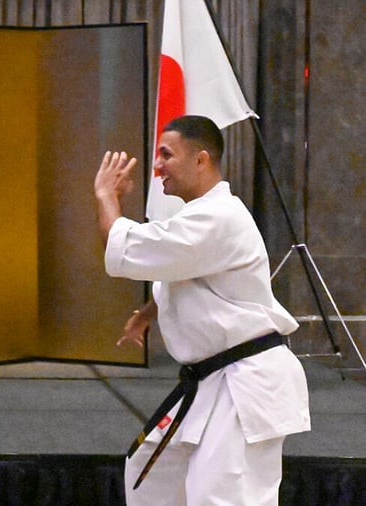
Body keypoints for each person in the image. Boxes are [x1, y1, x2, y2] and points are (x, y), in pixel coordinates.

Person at [93, 115, 310, 505]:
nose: (157, 165)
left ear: (201, 160)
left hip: (245, 382)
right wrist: (148, 312)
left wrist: (107, 197)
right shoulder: (202, 217)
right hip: (214, 379)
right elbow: (183, 275)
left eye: (166, 154)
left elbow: (132, 248)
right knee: (151, 475)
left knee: (224, 496)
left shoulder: (219, 216)